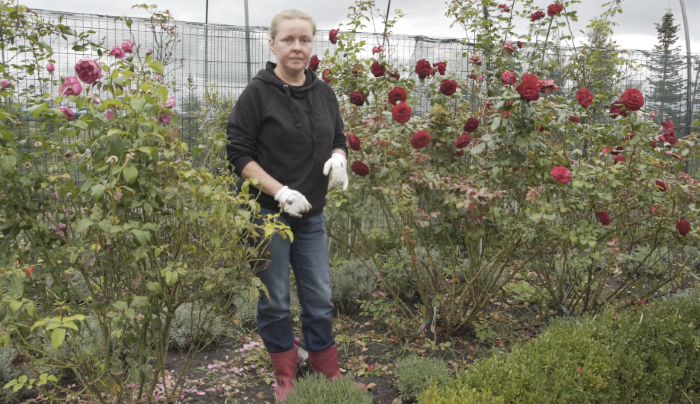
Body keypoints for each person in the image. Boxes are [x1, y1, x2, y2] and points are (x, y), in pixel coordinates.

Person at [226, 9, 353, 401]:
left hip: (311, 215)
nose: (296, 47)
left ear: (311, 46)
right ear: (273, 44)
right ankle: (285, 375)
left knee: (318, 296)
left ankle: (326, 371)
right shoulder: (257, 93)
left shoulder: (323, 92)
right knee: (275, 299)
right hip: (267, 215)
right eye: (288, 40)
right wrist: (278, 191)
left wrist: (339, 157)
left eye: (304, 40)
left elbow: (338, 136)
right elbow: (238, 153)